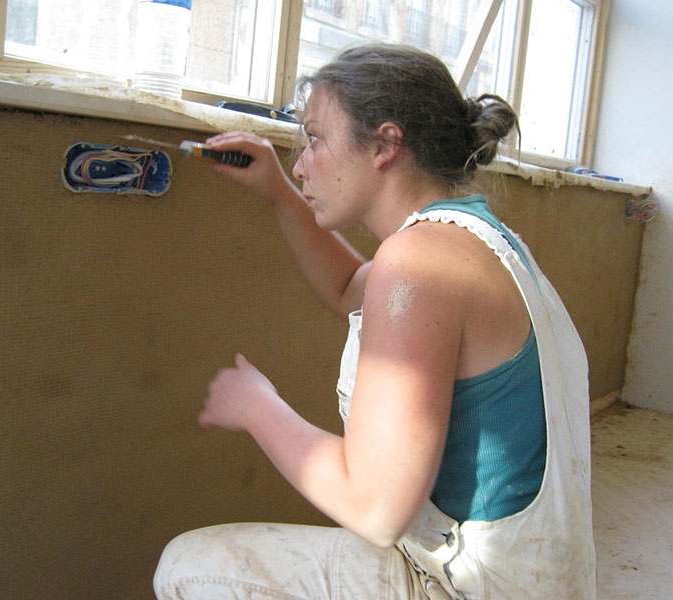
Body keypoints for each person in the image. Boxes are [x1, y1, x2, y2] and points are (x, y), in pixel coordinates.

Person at [154, 43, 596, 599]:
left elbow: (375, 507)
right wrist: (279, 192)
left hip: (471, 589)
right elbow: (348, 289)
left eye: (315, 139)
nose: (301, 161)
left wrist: (256, 405)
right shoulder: (472, 240)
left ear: (385, 144)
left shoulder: (420, 262)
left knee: (184, 566)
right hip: (530, 582)